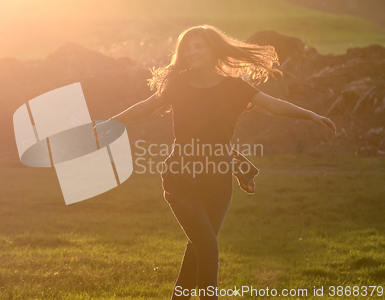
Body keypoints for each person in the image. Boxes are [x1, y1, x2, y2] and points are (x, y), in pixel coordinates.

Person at [95, 25, 336, 299]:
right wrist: (113, 121)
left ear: (213, 50)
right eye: (188, 47)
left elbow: (274, 105)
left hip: (219, 178)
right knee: (208, 249)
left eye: (199, 46)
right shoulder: (178, 85)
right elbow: (147, 106)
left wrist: (312, 115)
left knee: (198, 248)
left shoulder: (234, 87)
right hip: (180, 177)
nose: (193, 51)